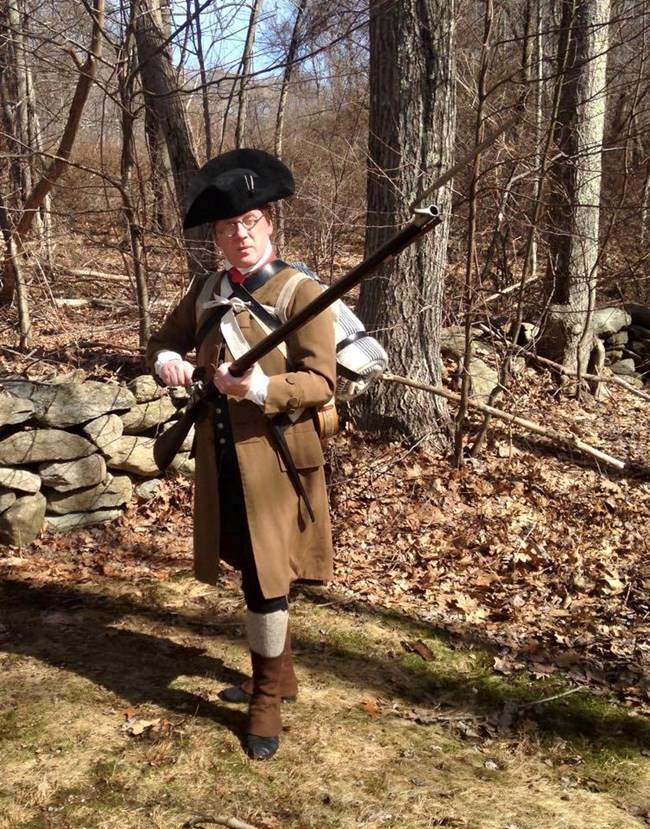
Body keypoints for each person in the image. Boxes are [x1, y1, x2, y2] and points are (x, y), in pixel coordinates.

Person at [145, 149, 336, 760]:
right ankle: (279, 673)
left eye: (250, 222)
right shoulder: (206, 289)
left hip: (278, 458)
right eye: (228, 227)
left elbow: (320, 383)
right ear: (216, 237)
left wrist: (256, 387)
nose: (240, 236)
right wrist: (169, 362)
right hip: (219, 455)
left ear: (269, 224)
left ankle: (266, 699)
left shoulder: (301, 292)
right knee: (248, 567)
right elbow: (167, 339)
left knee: (266, 577)